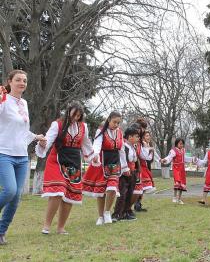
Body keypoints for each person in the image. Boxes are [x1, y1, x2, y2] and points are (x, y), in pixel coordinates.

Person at [36, 102, 96, 234]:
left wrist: (93, 157)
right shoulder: (57, 124)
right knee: (58, 191)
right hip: (56, 160)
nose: (75, 118)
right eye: (74, 114)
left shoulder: (83, 127)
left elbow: (86, 145)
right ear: (68, 111)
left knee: (70, 194)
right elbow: (48, 140)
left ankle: (60, 227)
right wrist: (43, 143)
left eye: (79, 116)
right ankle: (46, 226)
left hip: (74, 161)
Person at [0, 70, 46, 244]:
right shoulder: (3, 100)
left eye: (25, 80)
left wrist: (37, 137)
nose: (22, 83)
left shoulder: (24, 103)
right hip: (3, 153)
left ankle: (1, 231)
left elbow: (21, 131)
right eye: (18, 80)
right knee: (10, 191)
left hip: (21, 155)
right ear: (9, 82)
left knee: (16, 196)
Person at [82, 111, 128, 225]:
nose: (116, 124)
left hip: (115, 163)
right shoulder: (101, 130)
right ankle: (100, 216)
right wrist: (95, 155)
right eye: (114, 122)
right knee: (101, 191)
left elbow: (121, 150)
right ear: (109, 120)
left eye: (118, 123)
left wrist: (125, 167)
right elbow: (97, 144)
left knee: (112, 188)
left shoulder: (120, 133)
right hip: (102, 163)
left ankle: (107, 212)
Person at [112, 126, 141, 221]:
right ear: (129, 137)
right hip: (124, 173)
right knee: (122, 193)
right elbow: (122, 158)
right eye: (136, 136)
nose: (138, 138)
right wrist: (125, 169)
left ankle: (125, 212)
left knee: (129, 193)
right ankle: (117, 214)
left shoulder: (133, 147)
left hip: (132, 172)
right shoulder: (123, 146)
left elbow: (135, 159)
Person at [160, 138, 194, 204]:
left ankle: (179, 199)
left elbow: (185, 158)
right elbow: (169, 157)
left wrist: (193, 159)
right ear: (176, 144)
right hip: (176, 169)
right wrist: (164, 160)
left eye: (182, 144)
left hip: (182, 169)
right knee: (177, 182)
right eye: (180, 144)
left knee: (182, 183)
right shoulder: (173, 151)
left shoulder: (183, 150)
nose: (181, 145)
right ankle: (174, 197)